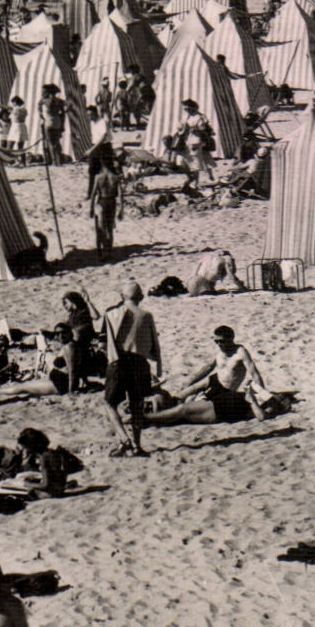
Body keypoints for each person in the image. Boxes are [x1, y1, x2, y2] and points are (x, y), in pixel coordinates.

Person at [148, 325, 276, 425]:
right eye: (216, 342)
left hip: (225, 389)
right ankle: (159, 404)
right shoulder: (220, 351)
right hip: (214, 379)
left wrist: (263, 394)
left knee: (190, 403)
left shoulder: (240, 352)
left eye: (221, 341)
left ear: (230, 339)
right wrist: (191, 380)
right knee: (185, 392)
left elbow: (254, 372)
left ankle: (160, 413)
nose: (219, 344)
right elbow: (209, 367)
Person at [102, 283, 159, 456]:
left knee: (109, 403)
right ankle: (137, 445)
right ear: (141, 297)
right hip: (140, 363)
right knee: (136, 405)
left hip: (119, 362)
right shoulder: (147, 315)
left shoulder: (111, 314)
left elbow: (104, 343)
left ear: (122, 296)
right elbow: (152, 346)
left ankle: (123, 439)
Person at [89, 158, 121, 263]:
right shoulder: (115, 178)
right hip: (112, 203)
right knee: (110, 229)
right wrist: (121, 209)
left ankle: (100, 253)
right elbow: (121, 196)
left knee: (100, 229)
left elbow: (93, 194)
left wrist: (91, 208)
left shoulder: (98, 177)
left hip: (101, 202)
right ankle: (109, 253)